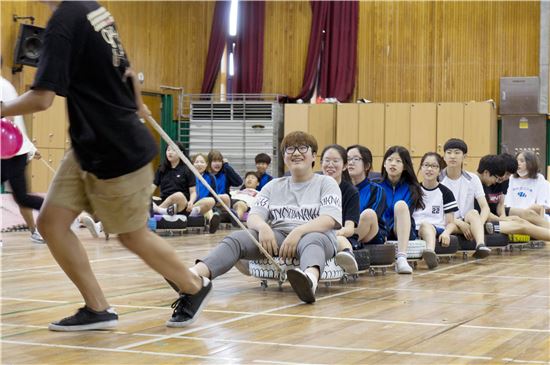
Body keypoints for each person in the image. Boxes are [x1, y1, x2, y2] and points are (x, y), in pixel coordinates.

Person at [0, 1, 210, 331]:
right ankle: (98, 308)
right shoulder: (94, 10)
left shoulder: (63, 21)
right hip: (88, 144)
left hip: (116, 149)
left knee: (132, 236)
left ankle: (194, 286)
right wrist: (136, 102)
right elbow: (127, 70)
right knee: (52, 223)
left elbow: (42, 99)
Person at [184, 131, 342, 303]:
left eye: (302, 148)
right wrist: (263, 227)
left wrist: (298, 232)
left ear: (313, 156)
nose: (296, 153)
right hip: (279, 237)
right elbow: (254, 216)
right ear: (284, 157)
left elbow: (329, 219)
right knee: (237, 238)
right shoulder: (273, 186)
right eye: (290, 149)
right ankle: (193, 275)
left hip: (316, 237)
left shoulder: (326, 183)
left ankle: (309, 281)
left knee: (313, 240)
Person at [0, 74, 45, 244]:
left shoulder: (3, 86)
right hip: (11, 151)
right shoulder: (6, 85)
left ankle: (56, 213)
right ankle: (37, 229)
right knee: (21, 197)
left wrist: (30, 148)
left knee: (22, 197)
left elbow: (9, 119)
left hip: (12, 152)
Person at [476, 155, 550, 241]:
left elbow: (500, 205)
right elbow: (483, 211)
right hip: (485, 218)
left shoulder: (498, 180)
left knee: (528, 214)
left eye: (508, 175)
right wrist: (503, 219)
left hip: (492, 214)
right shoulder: (478, 182)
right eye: (505, 174)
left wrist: (503, 217)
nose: (504, 177)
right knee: (521, 224)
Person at [439, 138, 490, 259]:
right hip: (446, 221)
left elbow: (485, 207)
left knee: (474, 212)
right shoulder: (437, 179)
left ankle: (480, 245)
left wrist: (478, 224)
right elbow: (436, 210)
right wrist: (459, 223)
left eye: (457, 152)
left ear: (464, 157)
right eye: (449, 152)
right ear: (444, 156)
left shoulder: (473, 178)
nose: (452, 156)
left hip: (468, 220)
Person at [379, 146, 425, 274]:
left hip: (402, 229)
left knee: (400, 205)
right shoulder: (376, 186)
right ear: (384, 163)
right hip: (381, 228)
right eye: (390, 160)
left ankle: (402, 258)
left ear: (405, 166)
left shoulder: (412, 188)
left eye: (398, 161)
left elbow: (406, 214)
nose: (393, 163)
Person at [413, 152, 458, 269]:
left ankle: (430, 252)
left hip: (436, 228)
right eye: (426, 165)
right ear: (421, 168)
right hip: (414, 229)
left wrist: (446, 233)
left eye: (434, 166)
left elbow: (451, 222)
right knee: (423, 225)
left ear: (440, 170)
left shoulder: (446, 193)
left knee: (425, 225)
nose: (429, 169)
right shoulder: (413, 190)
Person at [320, 144, 360, 274]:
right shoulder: (312, 186)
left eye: (335, 161)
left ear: (344, 166)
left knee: (340, 240)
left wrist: (334, 233)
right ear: (321, 163)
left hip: (339, 234)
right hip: (314, 231)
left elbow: (349, 228)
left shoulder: (351, 192)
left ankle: (348, 256)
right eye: (326, 160)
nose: (330, 165)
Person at [346, 145, 387, 248]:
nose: (350, 162)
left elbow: (373, 217)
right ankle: (349, 244)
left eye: (356, 159)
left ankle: (346, 244)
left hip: (371, 233)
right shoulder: (341, 188)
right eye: (348, 159)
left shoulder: (376, 190)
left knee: (369, 214)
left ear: (367, 166)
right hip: (346, 231)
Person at [152, 142, 197, 216]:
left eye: (173, 150)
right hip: (164, 201)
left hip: (181, 202)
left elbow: (193, 192)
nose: (170, 153)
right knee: (148, 198)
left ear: (181, 153)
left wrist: (191, 202)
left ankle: (156, 211)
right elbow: (153, 186)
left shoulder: (187, 169)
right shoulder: (161, 169)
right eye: (168, 150)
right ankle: (164, 211)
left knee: (179, 195)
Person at [191, 153, 220, 232]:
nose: (199, 164)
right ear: (192, 164)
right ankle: (210, 221)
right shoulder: (189, 176)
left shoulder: (211, 177)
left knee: (209, 206)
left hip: (206, 204)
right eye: (196, 162)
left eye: (202, 162)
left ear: (206, 164)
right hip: (191, 204)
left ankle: (212, 223)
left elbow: (215, 196)